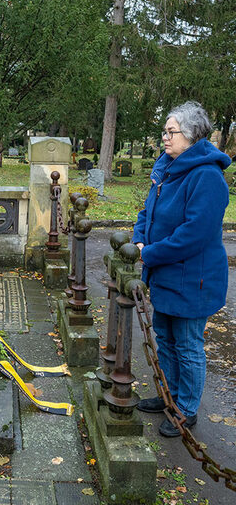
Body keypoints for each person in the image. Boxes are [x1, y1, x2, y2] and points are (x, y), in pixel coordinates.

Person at [132, 101, 231, 437]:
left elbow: (194, 234)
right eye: (164, 131)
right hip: (165, 275)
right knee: (165, 338)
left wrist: (150, 253)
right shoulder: (168, 167)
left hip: (193, 280)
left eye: (171, 132)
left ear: (191, 135)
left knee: (187, 345)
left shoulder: (206, 176)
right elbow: (148, 212)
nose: (165, 137)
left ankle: (186, 410)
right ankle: (169, 397)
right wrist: (138, 241)